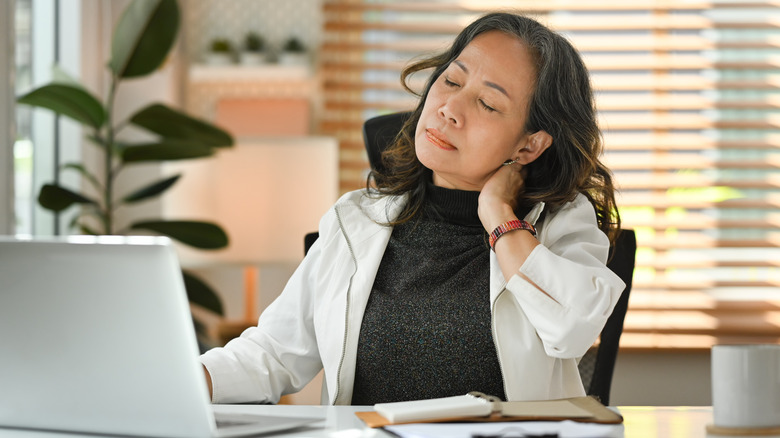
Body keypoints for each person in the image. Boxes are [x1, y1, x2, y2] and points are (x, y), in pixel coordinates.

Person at [200, 12, 626, 406]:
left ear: (529, 144)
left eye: (488, 104)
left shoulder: (558, 225)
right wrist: (187, 379)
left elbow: (570, 329)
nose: (448, 109)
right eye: (452, 82)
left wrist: (499, 214)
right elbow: (273, 354)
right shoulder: (356, 221)